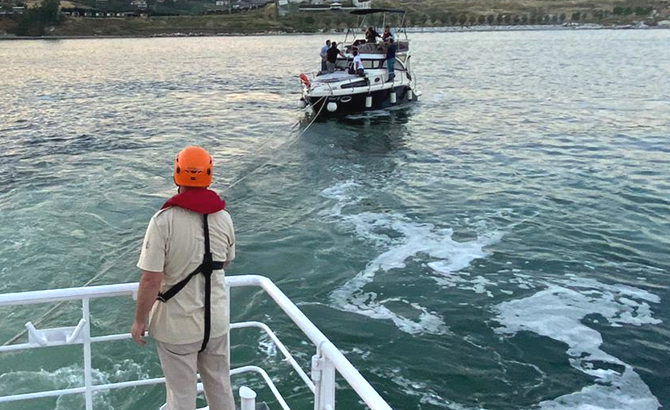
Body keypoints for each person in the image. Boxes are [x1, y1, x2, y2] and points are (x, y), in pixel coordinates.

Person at [131, 146, 236, 410]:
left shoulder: (163, 221)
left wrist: (139, 320)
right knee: (221, 387)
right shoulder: (224, 217)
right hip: (216, 323)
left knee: (181, 396)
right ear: (209, 174)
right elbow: (224, 261)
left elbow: (151, 280)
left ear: (176, 174)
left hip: (177, 327)